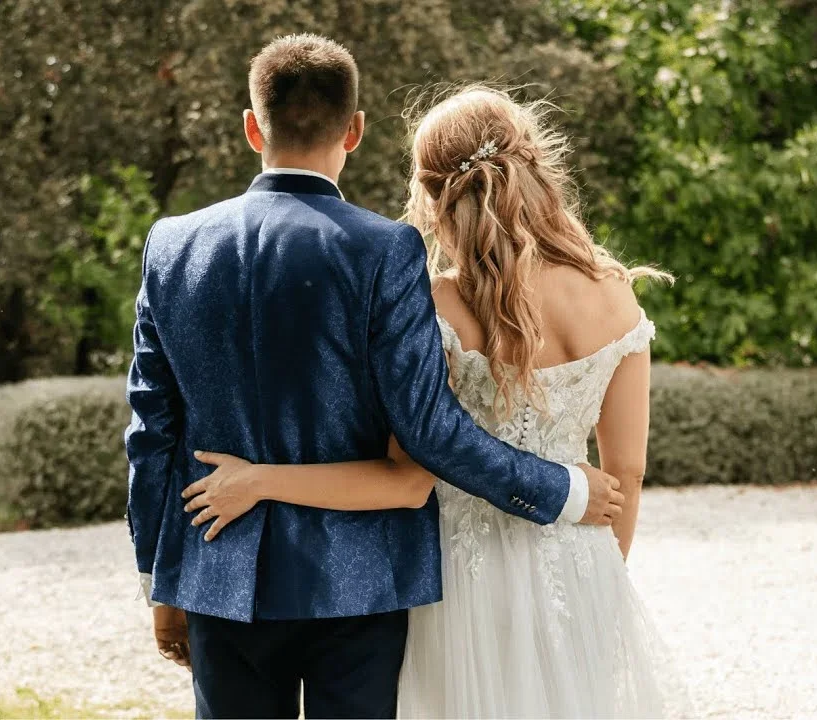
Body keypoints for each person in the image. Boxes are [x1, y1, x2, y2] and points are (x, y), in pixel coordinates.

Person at [123, 37, 625, 719]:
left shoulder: (172, 246)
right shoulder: (386, 250)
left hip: (220, 576)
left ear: (251, 125)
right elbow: (427, 429)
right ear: (354, 130)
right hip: (358, 587)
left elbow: (151, 431)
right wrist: (563, 489)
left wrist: (160, 578)